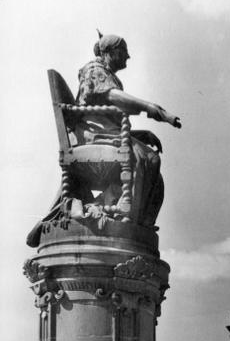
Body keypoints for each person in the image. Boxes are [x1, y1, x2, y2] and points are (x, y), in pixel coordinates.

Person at [27, 33, 181, 246]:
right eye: (123, 51)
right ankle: (124, 218)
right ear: (110, 52)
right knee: (149, 159)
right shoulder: (94, 70)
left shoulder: (103, 72)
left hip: (102, 134)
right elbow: (111, 96)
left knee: (152, 167)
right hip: (91, 137)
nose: (128, 56)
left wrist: (140, 134)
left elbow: (104, 118)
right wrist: (149, 107)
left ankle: (132, 221)